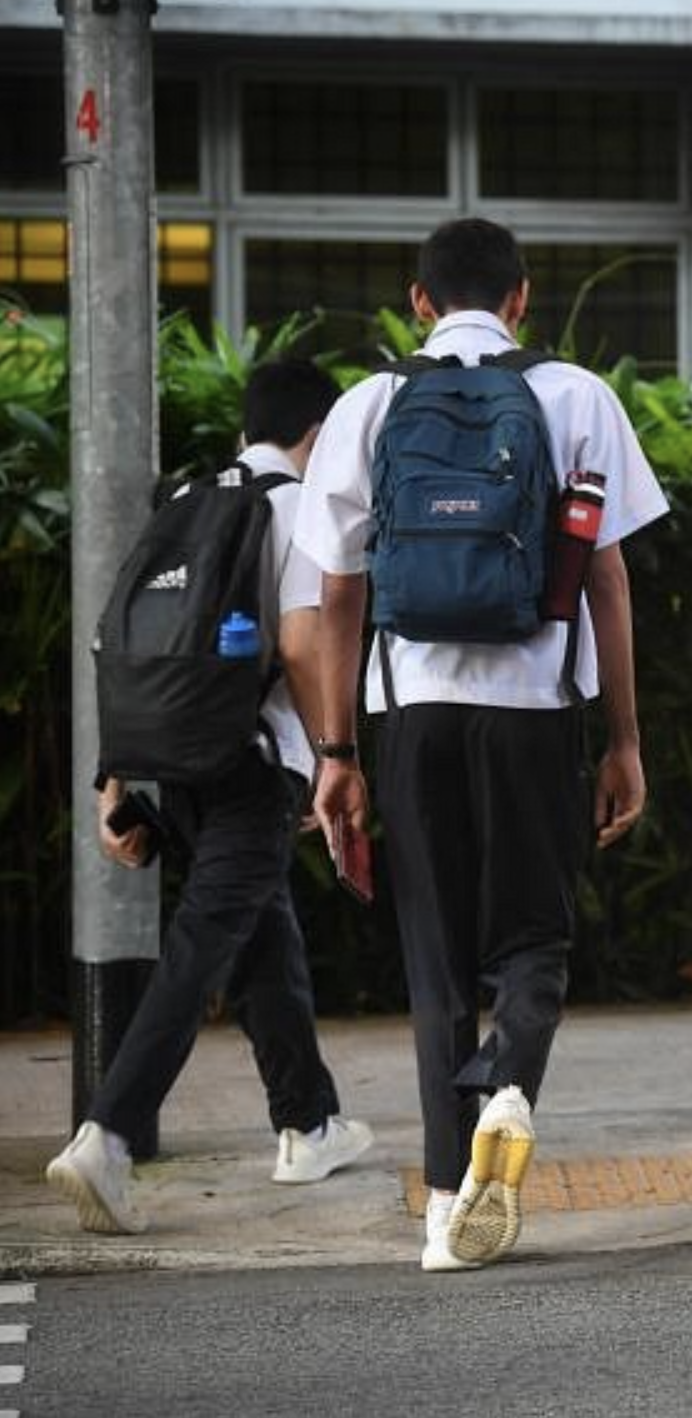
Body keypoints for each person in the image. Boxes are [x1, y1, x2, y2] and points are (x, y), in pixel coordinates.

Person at [294, 218, 669, 1272]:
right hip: (538, 705)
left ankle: (446, 1200)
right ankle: (507, 1078)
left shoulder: (368, 404)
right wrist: (625, 737)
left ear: (418, 300)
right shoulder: (577, 396)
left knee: (436, 959)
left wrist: (335, 751)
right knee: (534, 939)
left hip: (411, 708)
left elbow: (335, 589)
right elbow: (607, 578)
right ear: (521, 297)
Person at [48, 359, 374, 1235]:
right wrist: (333, 755)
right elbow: (306, 644)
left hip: (171, 759)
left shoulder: (187, 500)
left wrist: (113, 781)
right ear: (318, 433)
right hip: (254, 761)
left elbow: (120, 645)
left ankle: (307, 1126)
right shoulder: (299, 506)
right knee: (201, 947)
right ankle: (108, 1136)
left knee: (262, 932)